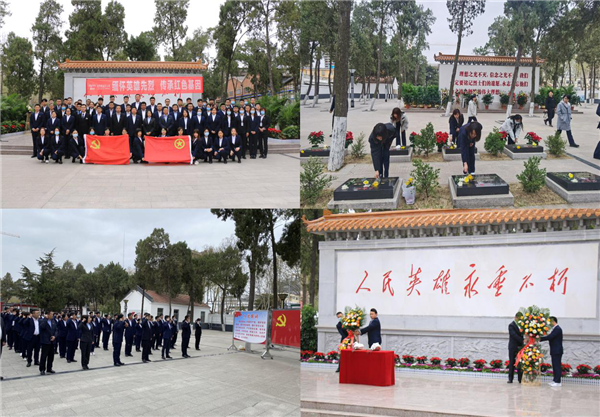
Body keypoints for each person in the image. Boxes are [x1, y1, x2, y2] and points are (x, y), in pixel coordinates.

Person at [541, 316, 563, 387]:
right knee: (554, 365)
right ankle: (555, 380)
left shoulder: (557, 329)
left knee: (557, 366)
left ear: (553, 321)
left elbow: (550, 337)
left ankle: (558, 381)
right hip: (554, 350)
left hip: (557, 350)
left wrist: (539, 339)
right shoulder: (555, 329)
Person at [507, 313, 524, 384]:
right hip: (513, 347)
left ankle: (520, 379)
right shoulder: (511, 325)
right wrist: (522, 340)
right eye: (519, 318)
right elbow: (514, 335)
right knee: (512, 362)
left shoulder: (522, 325)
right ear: (515, 317)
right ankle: (510, 378)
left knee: (520, 362)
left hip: (520, 347)